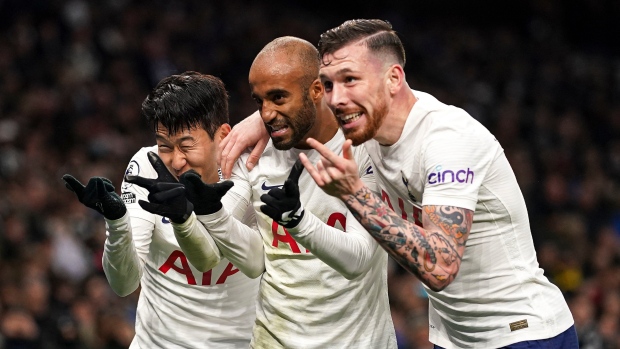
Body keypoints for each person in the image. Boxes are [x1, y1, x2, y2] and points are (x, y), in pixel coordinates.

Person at [219, 20, 578, 349]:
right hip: (454, 338)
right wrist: (263, 119)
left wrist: (354, 194)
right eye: (329, 84)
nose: (337, 97)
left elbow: (439, 268)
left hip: (522, 332)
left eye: (350, 80)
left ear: (393, 78)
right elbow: (301, 102)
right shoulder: (366, 130)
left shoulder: (446, 139)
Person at [136, 37, 397, 348]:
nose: (267, 113)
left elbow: (358, 260)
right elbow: (223, 255)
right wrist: (203, 214)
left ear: (317, 90)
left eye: (278, 98)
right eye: (259, 102)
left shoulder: (364, 149)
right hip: (273, 340)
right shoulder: (253, 157)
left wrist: (298, 221)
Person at [62, 71, 259, 348]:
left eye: (186, 145)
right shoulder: (147, 166)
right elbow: (124, 284)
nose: (176, 161)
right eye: (165, 146)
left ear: (223, 136)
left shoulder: (249, 170)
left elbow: (209, 256)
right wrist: (117, 223)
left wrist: (182, 218)